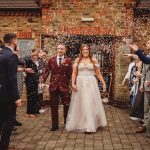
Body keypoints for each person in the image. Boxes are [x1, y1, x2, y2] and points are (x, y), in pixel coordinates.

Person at [65, 44, 107, 133]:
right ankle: (81, 123)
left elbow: (98, 73)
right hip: (80, 83)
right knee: (81, 103)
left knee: (90, 102)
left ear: (89, 50)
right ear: (81, 51)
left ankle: (90, 125)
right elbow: (74, 73)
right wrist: (73, 83)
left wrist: (103, 83)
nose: (85, 51)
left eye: (87, 49)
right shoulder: (77, 60)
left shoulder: (94, 60)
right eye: (83, 50)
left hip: (91, 83)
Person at [42, 43, 72, 131]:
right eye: (58, 48)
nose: (60, 50)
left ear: (65, 50)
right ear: (56, 49)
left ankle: (67, 123)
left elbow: (71, 74)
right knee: (53, 106)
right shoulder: (51, 60)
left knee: (66, 105)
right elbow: (46, 72)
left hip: (65, 86)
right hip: (53, 86)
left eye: (62, 49)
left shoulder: (68, 60)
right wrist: (42, 82)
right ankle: (54, 125)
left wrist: (72, 84)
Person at [0, 33, 22, 149]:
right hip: (7, 95)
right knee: (9, 120)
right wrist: (17, 97)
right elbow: (12, 79)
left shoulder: (1, 53)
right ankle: (3, 146)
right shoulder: (12, 56)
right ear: (14, 41)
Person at [24, 49, 40, 118]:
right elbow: (25, 68)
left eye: (36, 55)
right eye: (35, 54)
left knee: (34, 96)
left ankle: (33, 111)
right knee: (30, 97)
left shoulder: (36, 61)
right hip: (30, 81)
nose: (36, 56)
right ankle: (30, 112)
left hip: (35, 81)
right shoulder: (28, 60)